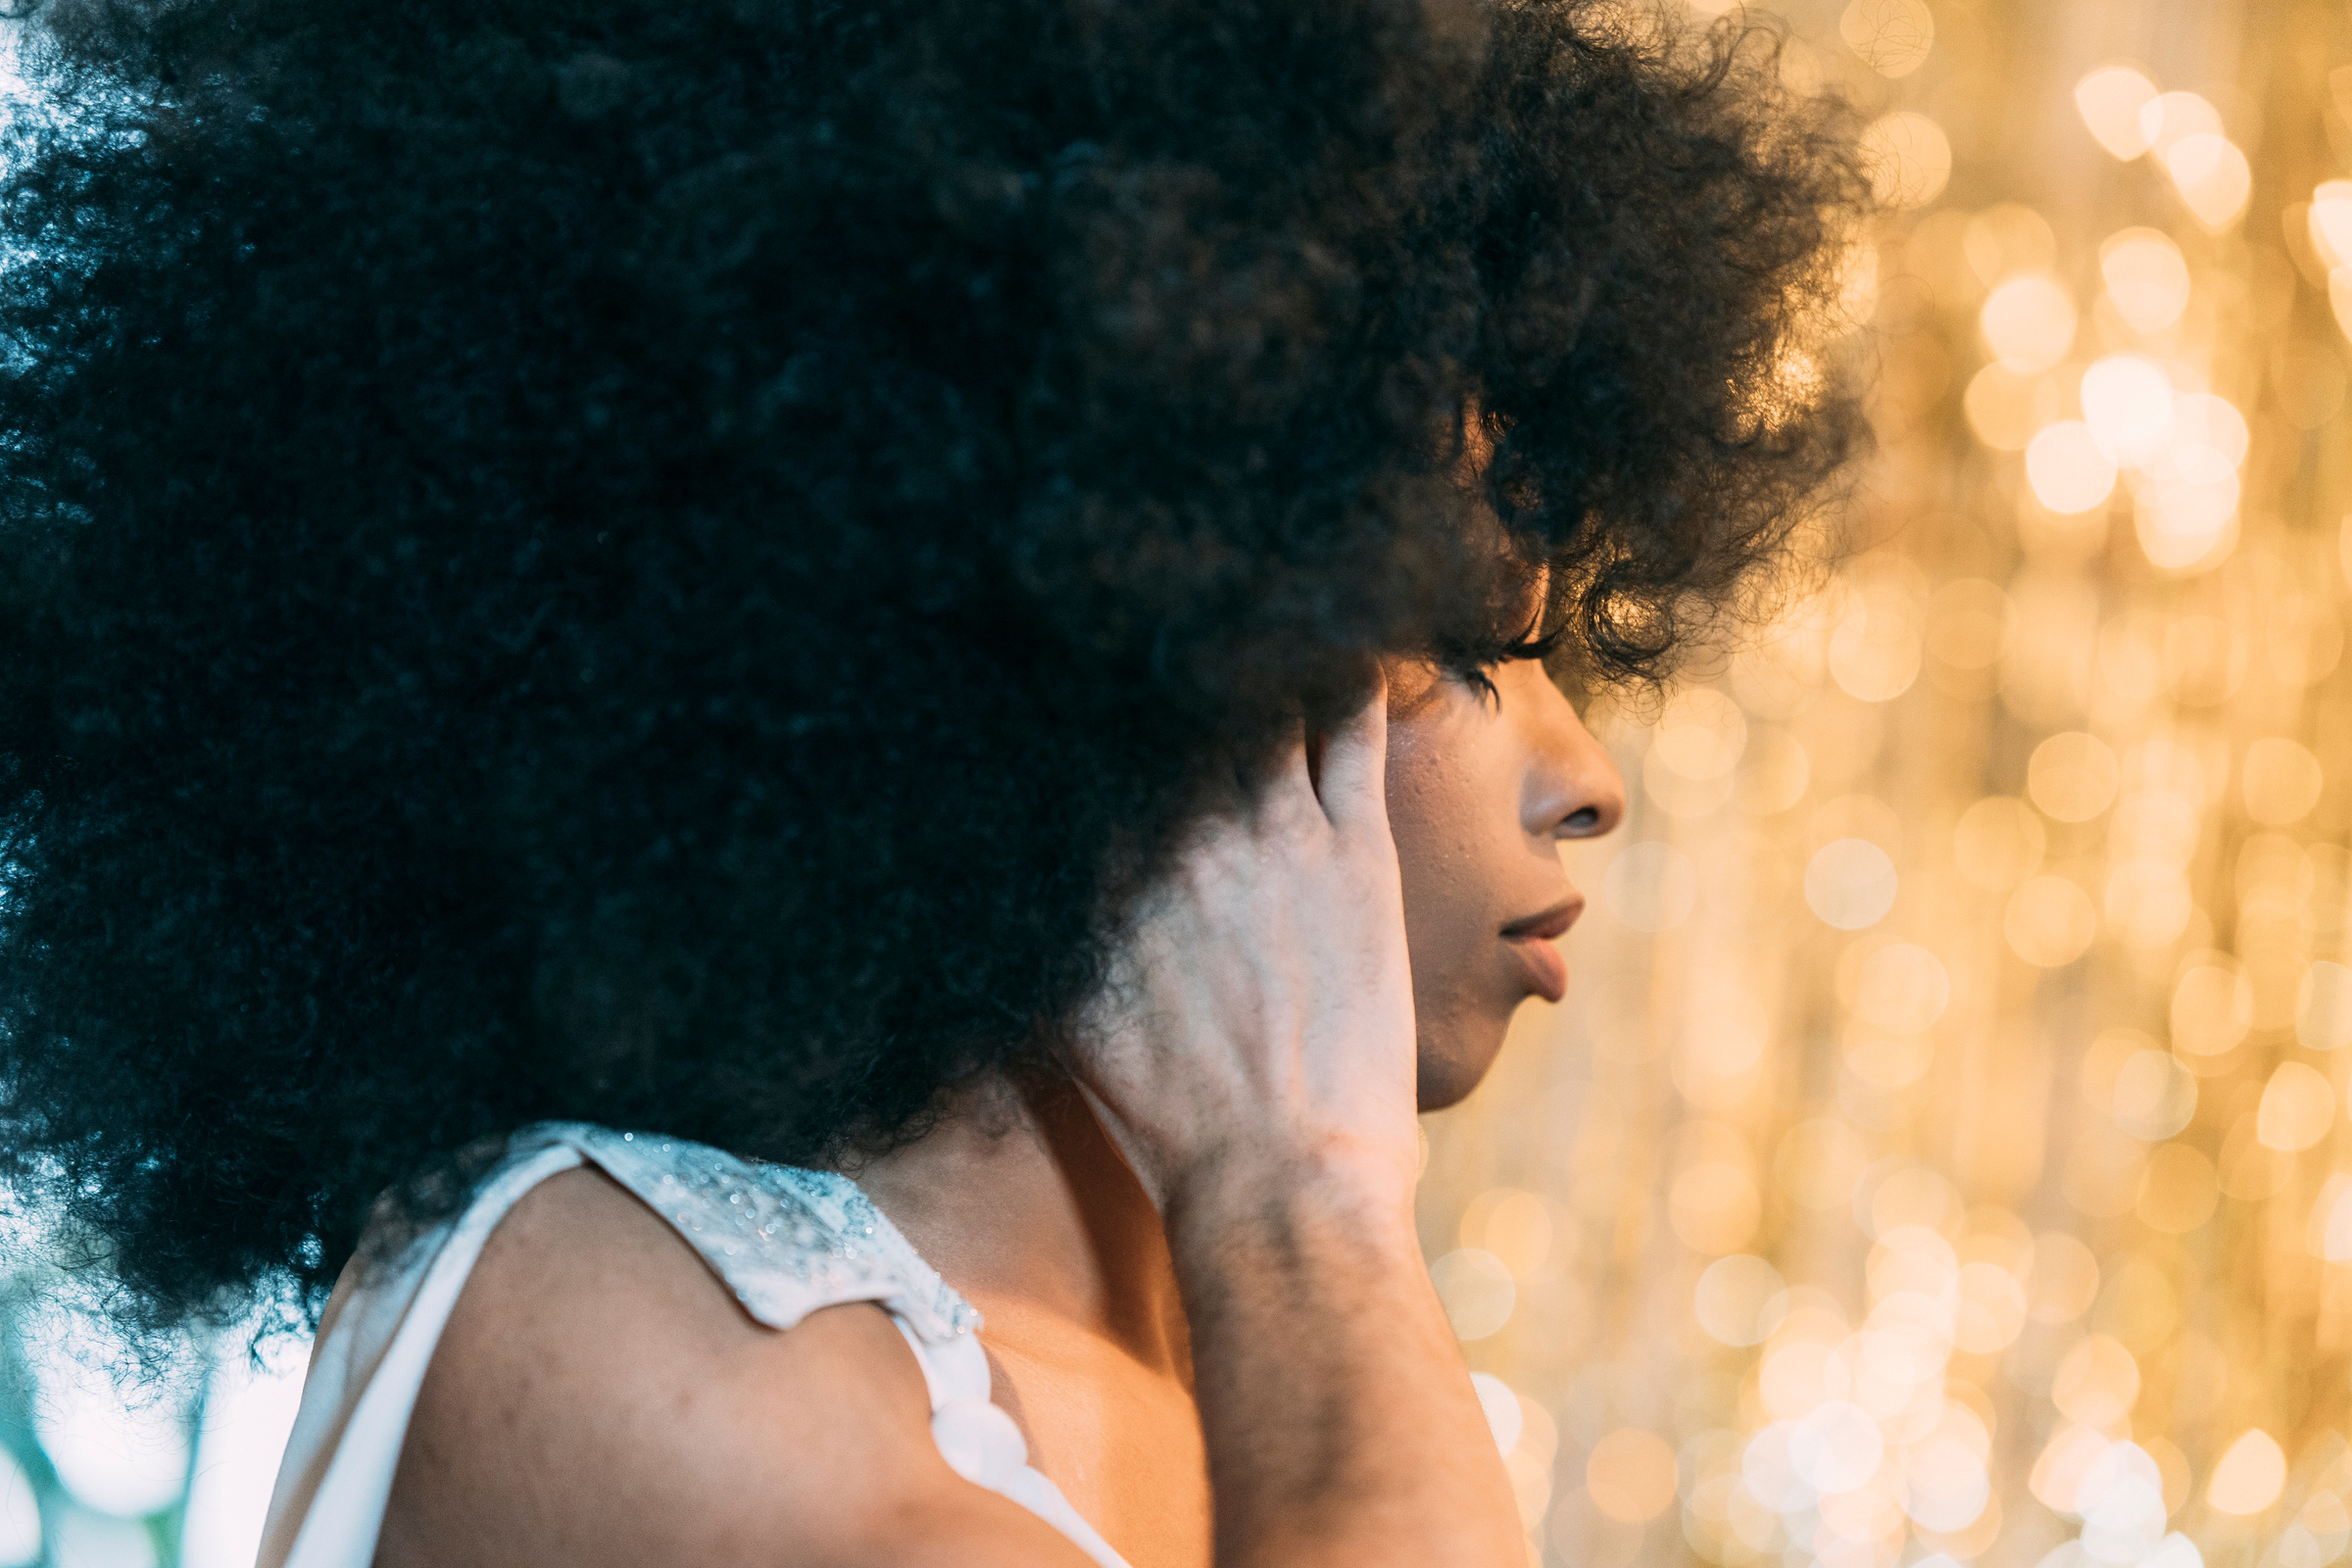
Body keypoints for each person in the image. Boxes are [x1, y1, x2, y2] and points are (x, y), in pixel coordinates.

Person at [0, 0, 1868, 1561]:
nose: (1591, 778)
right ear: (1102, 652)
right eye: (1462, 649)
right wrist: (1299, 1197)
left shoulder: (1246, 1369)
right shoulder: (603, 1307)